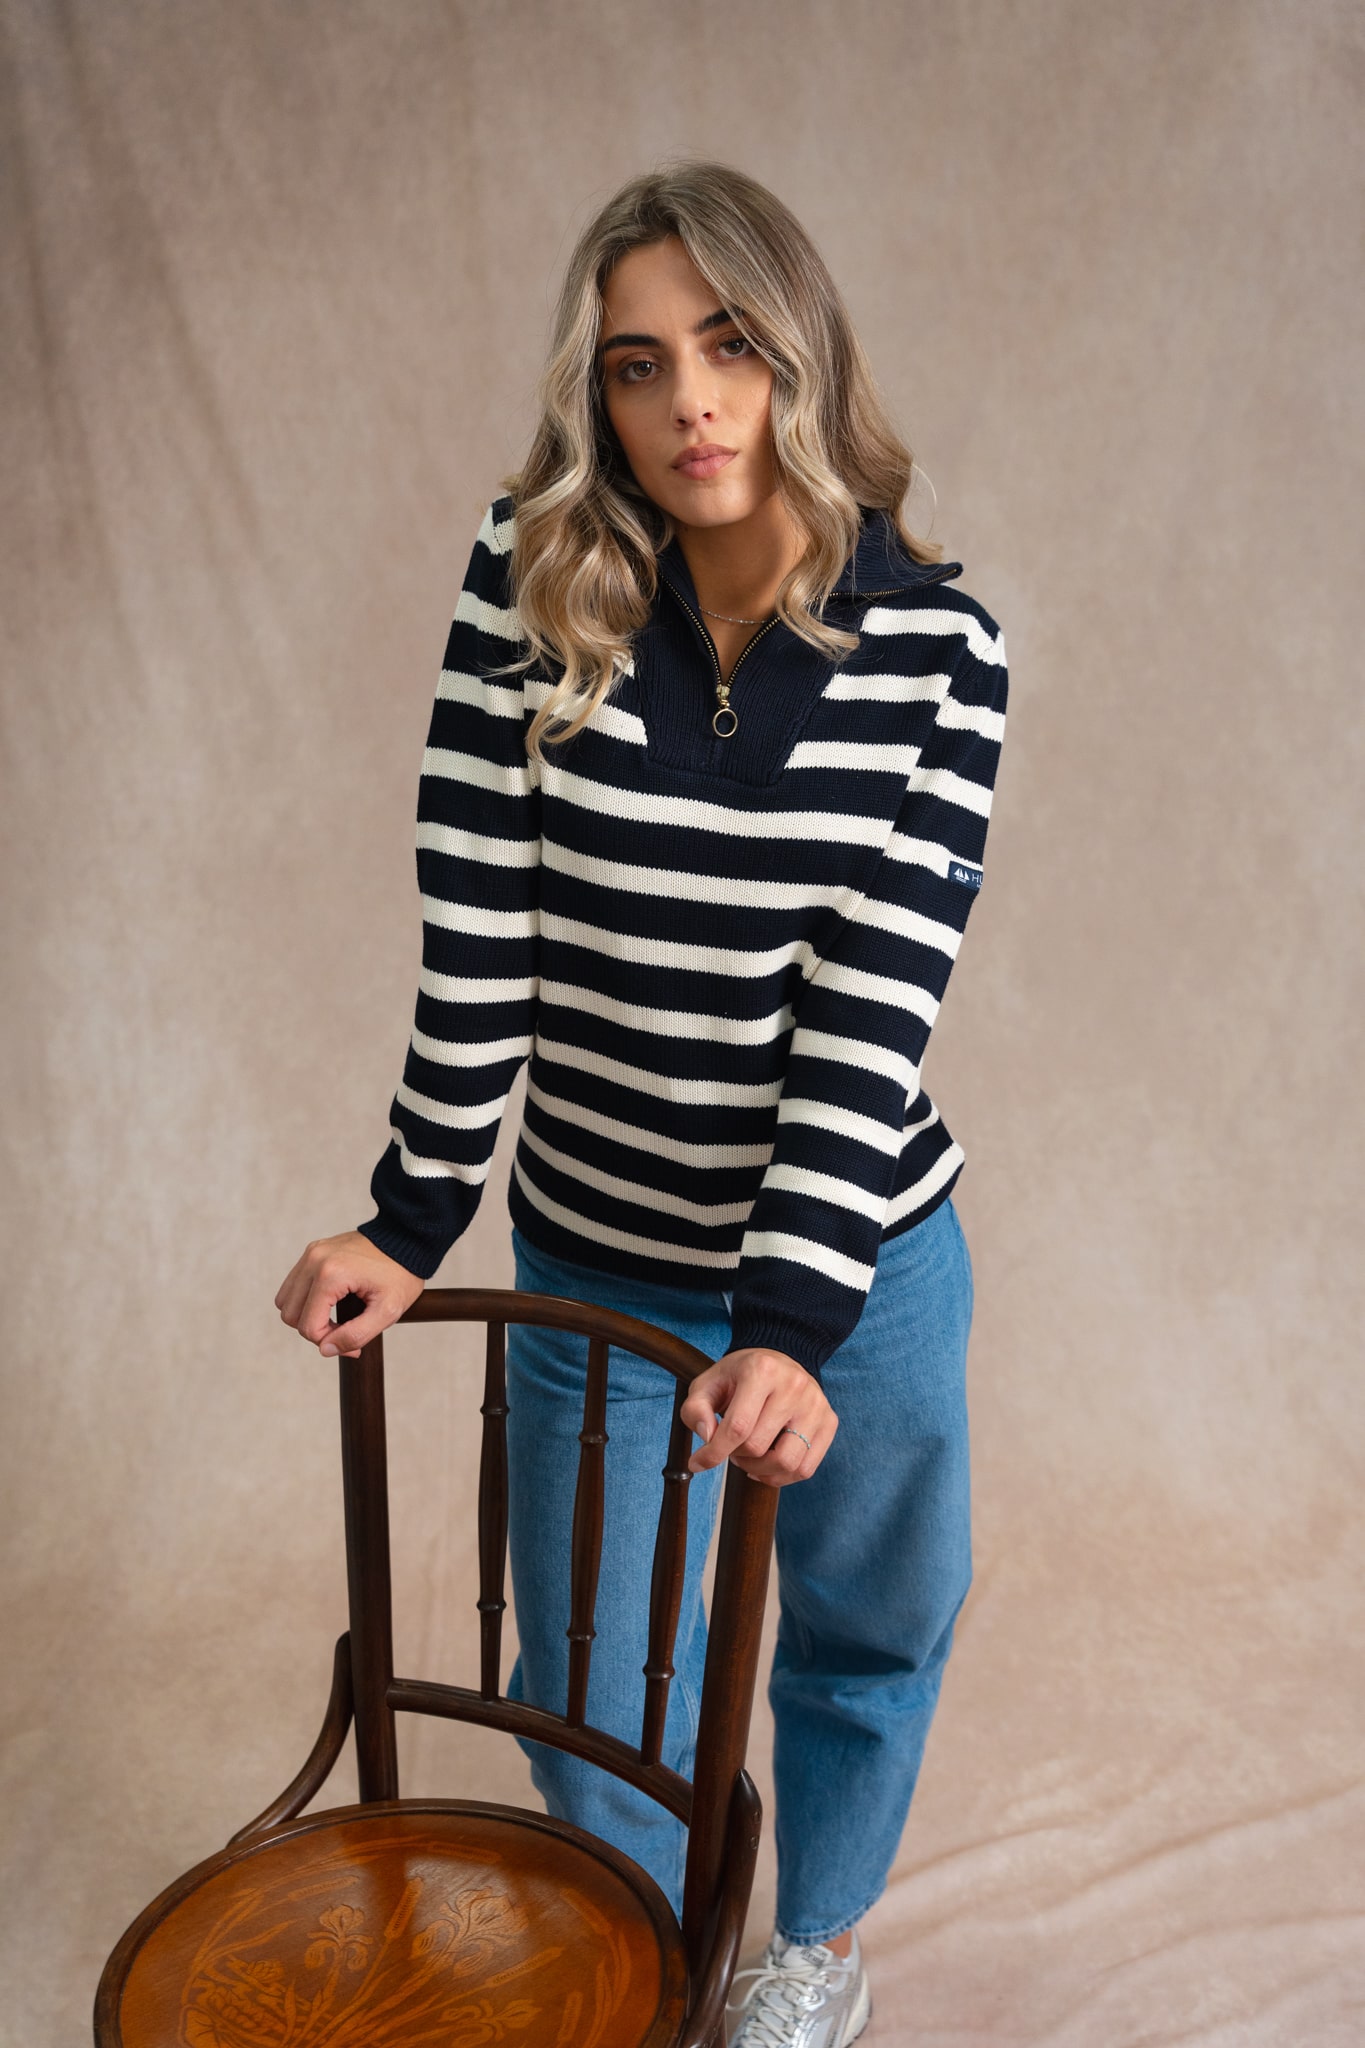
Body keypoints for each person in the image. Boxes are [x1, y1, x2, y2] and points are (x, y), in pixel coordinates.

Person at [275, 157, 1008, 2048]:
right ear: (592, 392)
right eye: (635, 362)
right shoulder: (525, 586)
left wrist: (791, 1327)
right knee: (596, 1694)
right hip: (595, 1253)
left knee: (867, 1625)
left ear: (801, 357)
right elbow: (477, 933)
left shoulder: (943, 654)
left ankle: (809, 1944)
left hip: (855, 1267)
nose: (688, 400)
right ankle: (646, 1961)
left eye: (730, 345)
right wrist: (411, 1216)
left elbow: (869, 1017)